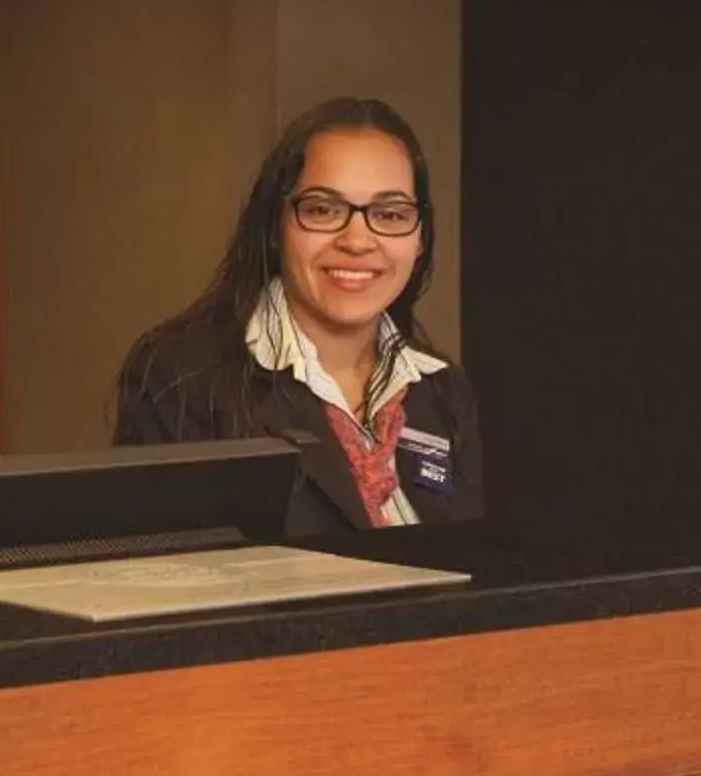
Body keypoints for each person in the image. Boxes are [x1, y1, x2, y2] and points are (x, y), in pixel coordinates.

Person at [111, 97, 482, 533]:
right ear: (275, 225)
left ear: (420, 239)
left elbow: (472, 572)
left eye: (390, 213)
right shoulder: (181, 379)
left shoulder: (442, 392)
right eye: (323, 210)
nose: (358, 240)